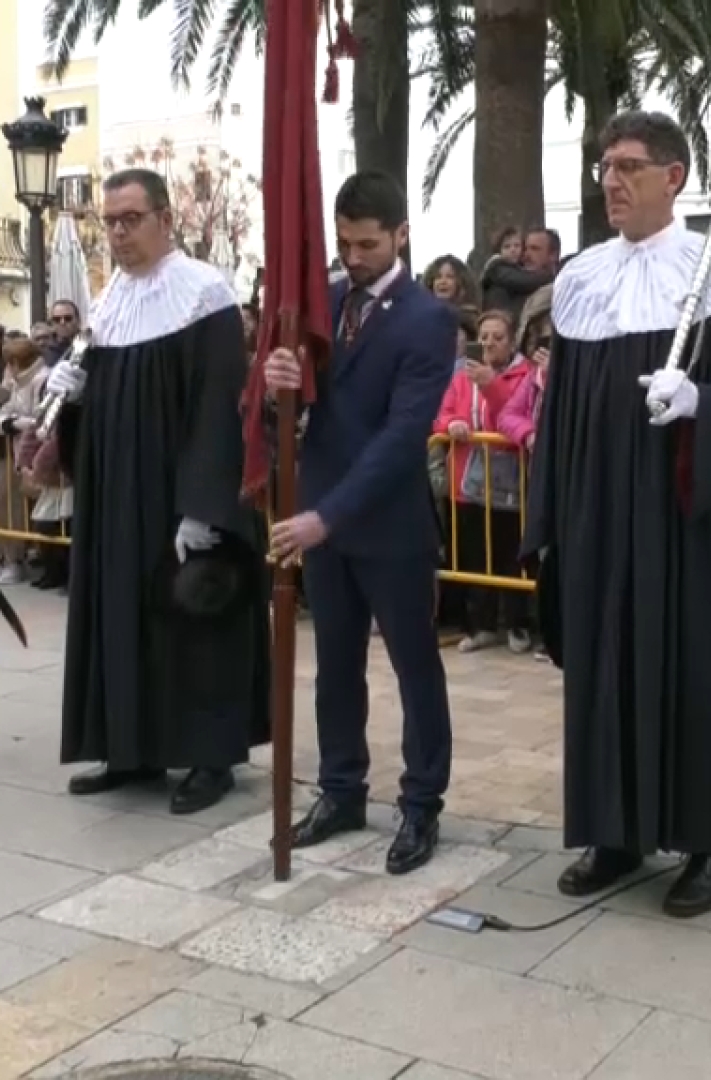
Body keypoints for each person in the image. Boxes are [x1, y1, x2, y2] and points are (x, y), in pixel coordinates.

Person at [520, 110, 711, 918]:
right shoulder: (577, 280)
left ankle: (708, 846)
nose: (613, 178)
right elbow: (560, 410)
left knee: (696, 672)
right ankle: (613, 833)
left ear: (674, 177)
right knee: (605, 673)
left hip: (683, 515)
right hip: (599, 514)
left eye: (632, 165)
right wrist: (549, 522)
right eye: (606, 165)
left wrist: (703, 400)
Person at [46, 168, 271, 817]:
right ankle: (130, 746)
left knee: (194, 622)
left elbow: (216, 405)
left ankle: (209, 755)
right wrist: (79, 398)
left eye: (130, 219)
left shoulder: (204, 292)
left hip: (177, 495)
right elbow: (106, 388)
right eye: (110, 221)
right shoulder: (110, 296)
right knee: (123, 611)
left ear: (165, 219)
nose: (117, 232)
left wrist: (204, 505)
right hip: (117, 492)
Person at [262, 171, 457, 877]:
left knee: (414, 668)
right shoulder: (323, 306)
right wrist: (276, 385)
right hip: (322, 519)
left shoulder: (427, 318)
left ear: (401, 235)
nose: (354, 256)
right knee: (335, 668)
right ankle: (342, 790)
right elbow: (286, 413)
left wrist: (327, 517)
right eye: (344, 243)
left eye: (368, 243)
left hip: (389, 524)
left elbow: (403, 437)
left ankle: (421, 801)